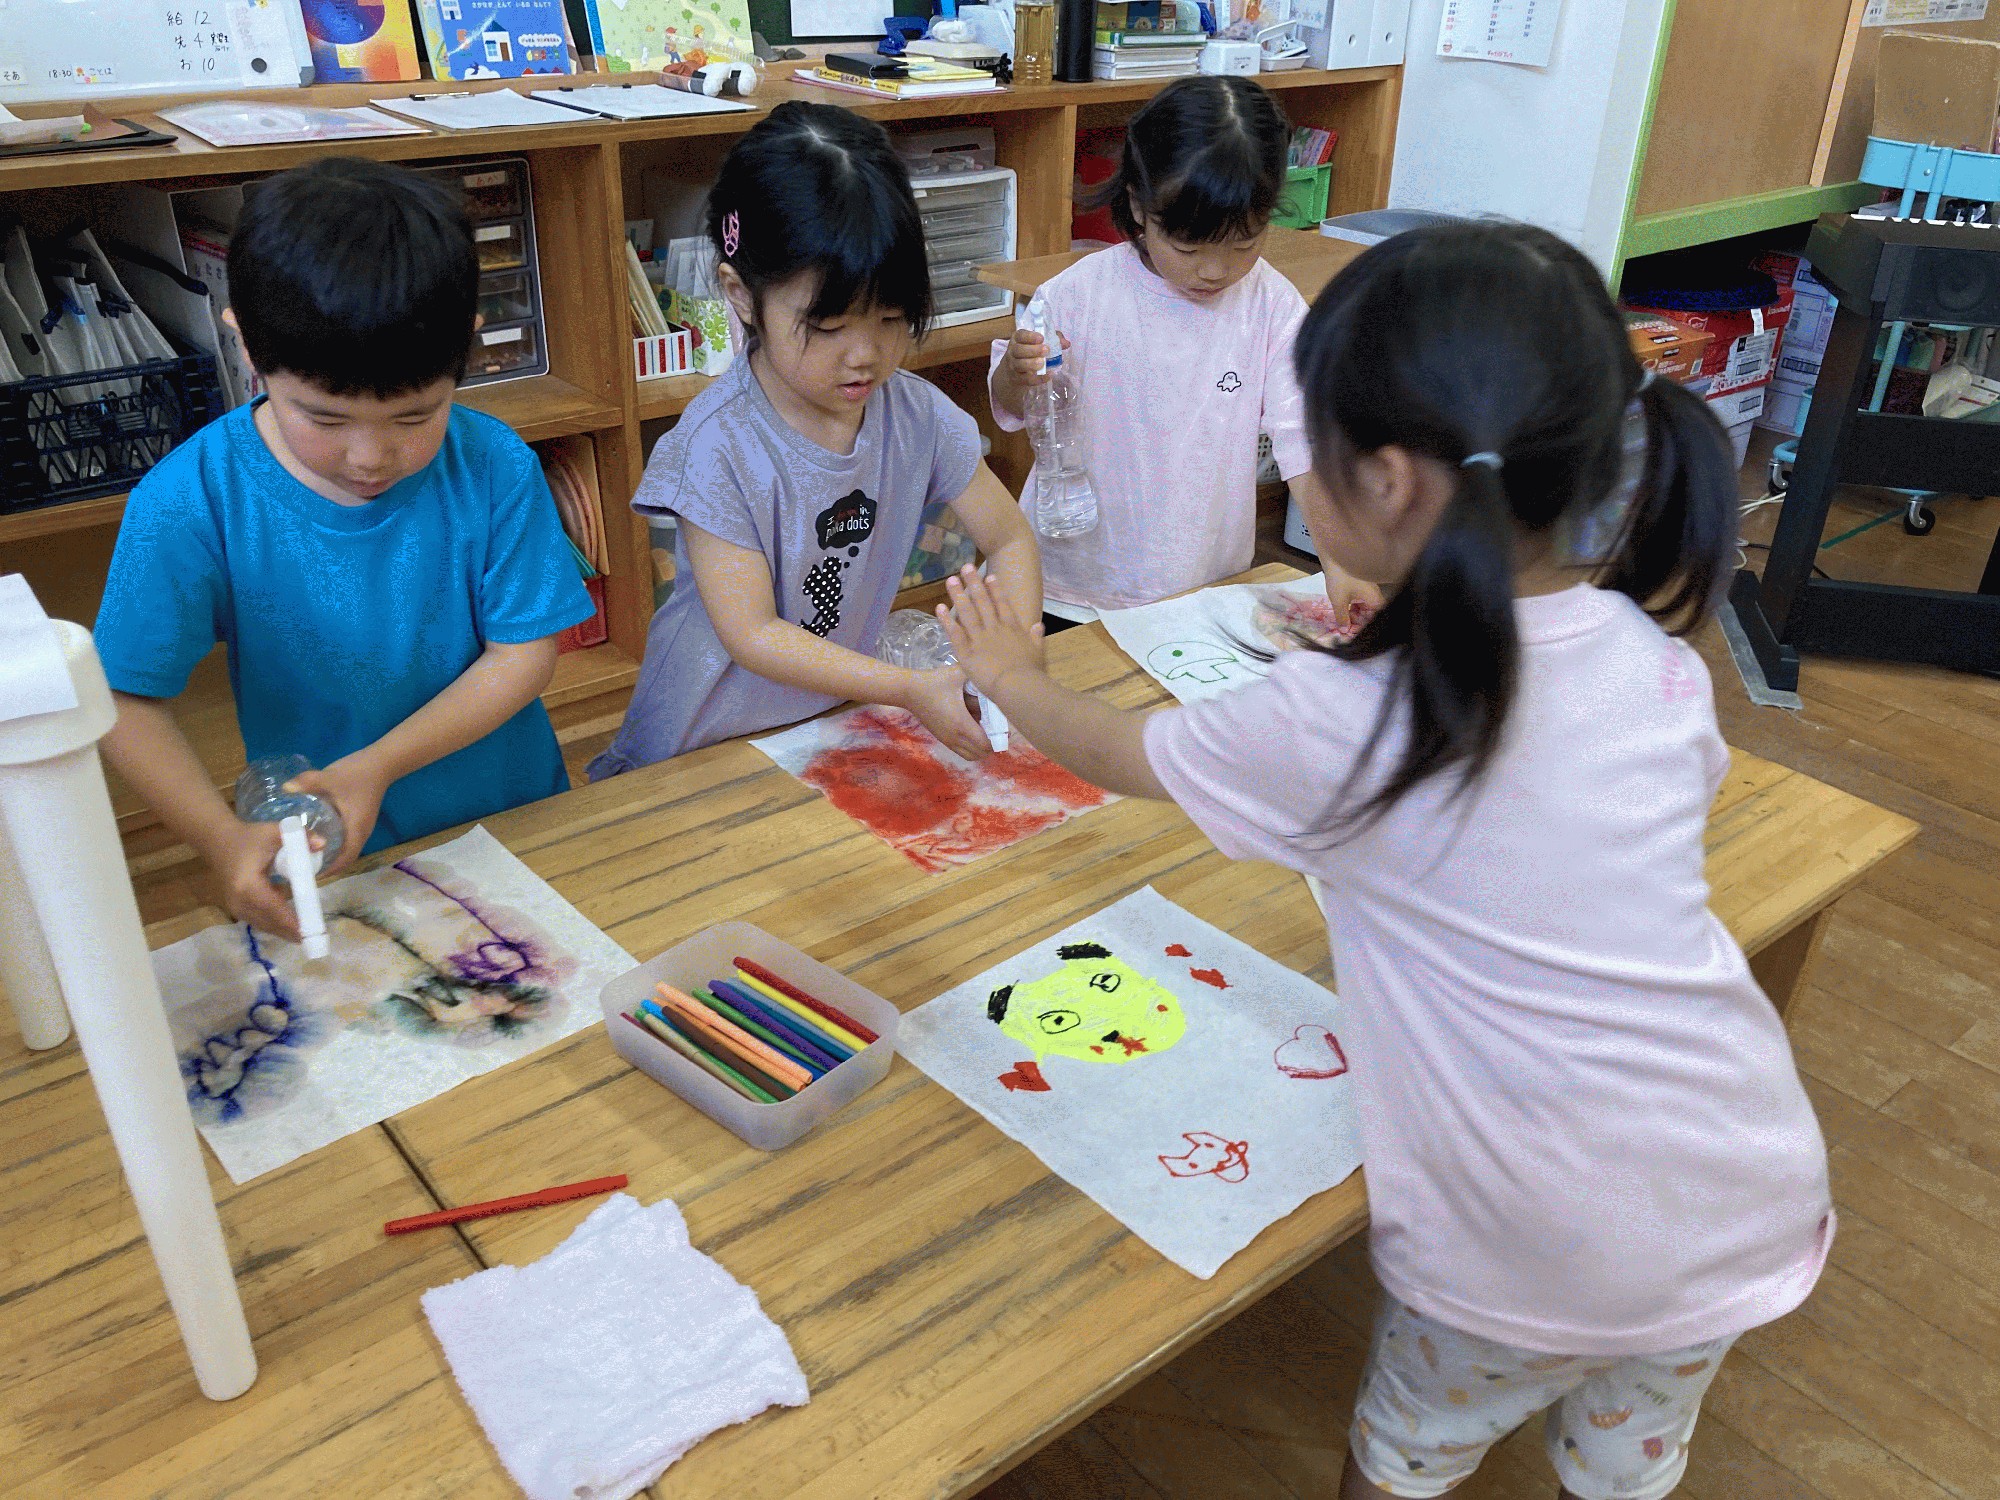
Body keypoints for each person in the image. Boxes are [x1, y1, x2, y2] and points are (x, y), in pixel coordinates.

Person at [940, 221, 1832, 1500]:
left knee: (1404, 1459)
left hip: (1527, 1239)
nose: (1292, 473)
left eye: (1304, 450)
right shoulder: (1650, 661)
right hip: (1738, 1183)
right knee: (1621, 1466)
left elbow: (1125, 752)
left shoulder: (1344, 718)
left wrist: (1012, 675)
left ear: (1391, 484)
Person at [97, 158, 593, 940]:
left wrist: (376, 766)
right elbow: (124, 700)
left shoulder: (494, 463)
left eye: (414, 417)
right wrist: (220, 839)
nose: (370, 458)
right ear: (246, 345)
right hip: (330, 862)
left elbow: (523, 655)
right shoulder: (191, 500)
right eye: (325, 419)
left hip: (513, 824)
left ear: (465, 348)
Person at [589, 103, 1041, 776]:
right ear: (741, 294)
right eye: (829, 328)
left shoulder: (915, 415)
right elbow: (753, 633)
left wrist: (1016, 659)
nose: (865, 355)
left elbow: (1009, 539)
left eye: (891, 318)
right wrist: (908, 688)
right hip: (700, 747)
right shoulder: (716, 446)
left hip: (824, 728)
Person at [989, 74, 1376, 627]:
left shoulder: (1271, 306)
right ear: (1139, 207)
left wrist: (1342, 562)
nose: (1214, 271)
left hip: (1202, 582)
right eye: (1188, 247)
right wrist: (1014, 373)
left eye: (1243, 244)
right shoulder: (1076, 295)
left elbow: (1304, 440)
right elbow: (1011, 407)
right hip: (1071, 583)